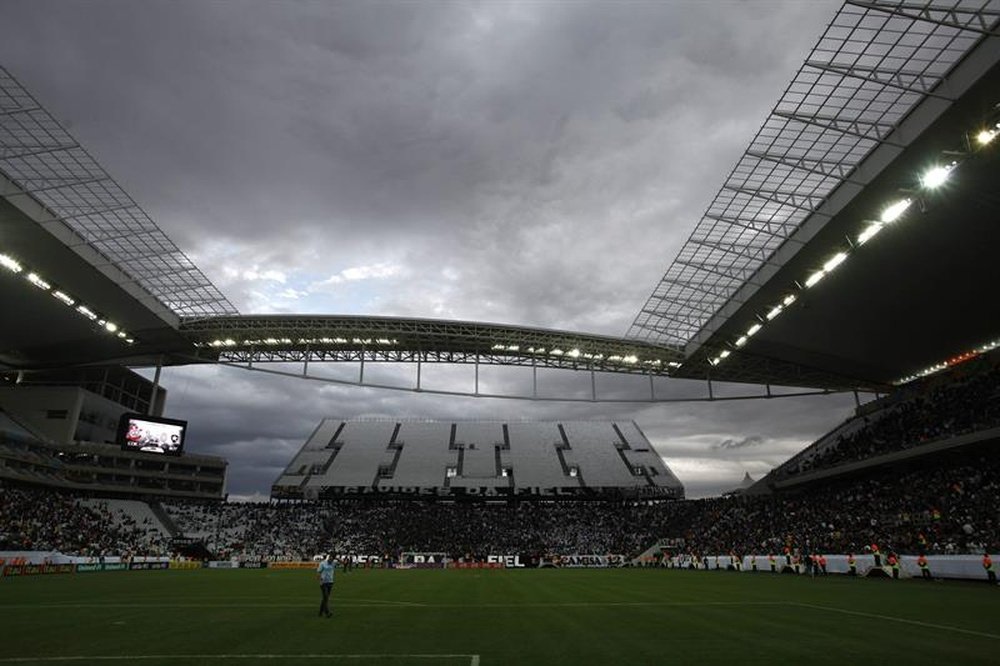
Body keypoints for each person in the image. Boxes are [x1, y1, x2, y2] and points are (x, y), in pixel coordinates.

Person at [317, 553, 335, 618]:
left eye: (332, 559)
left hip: (330, 582)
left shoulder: (333, 563)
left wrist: (337, 558)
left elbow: (344, 563)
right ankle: (327, 612)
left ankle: (320, 612)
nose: (331, 560)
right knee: (326, 597)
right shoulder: (322, 563)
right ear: (328, 558)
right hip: (323, 582)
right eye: (330, 558)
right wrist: (320, 580)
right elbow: (318, 572)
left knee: (325, 598)